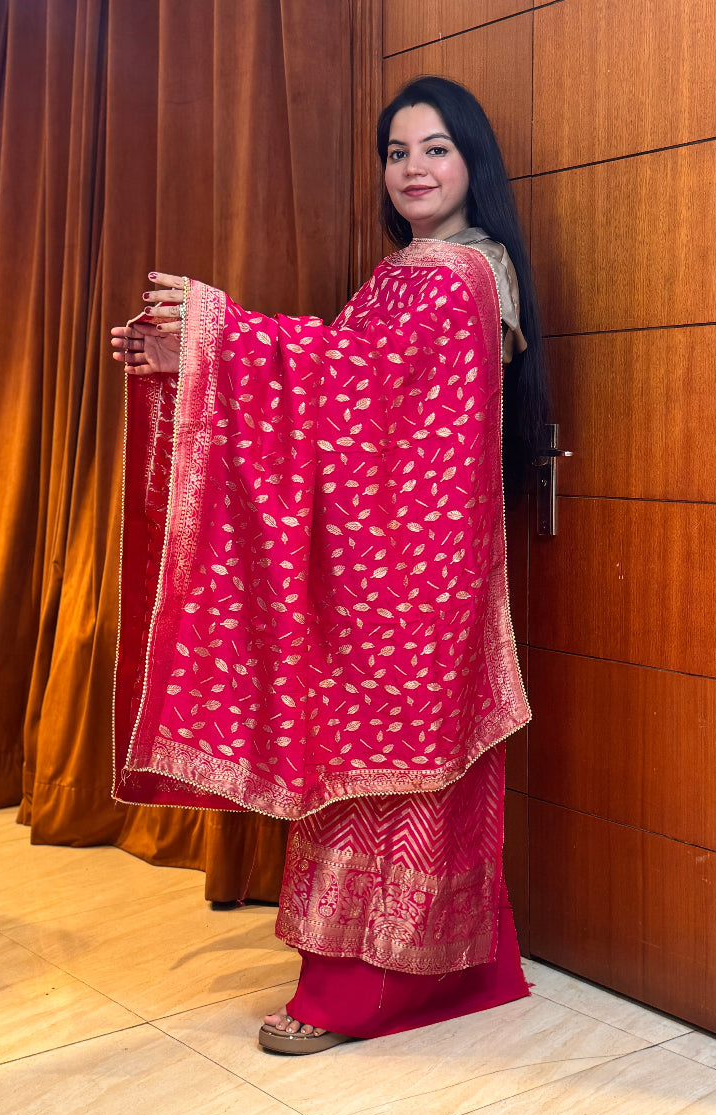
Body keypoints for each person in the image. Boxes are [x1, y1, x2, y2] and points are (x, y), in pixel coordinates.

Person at [110, 76, 548, 1055]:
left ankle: (367, 990)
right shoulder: (406, 274)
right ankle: (432, 965)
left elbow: (352, 379)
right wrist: (191, 359)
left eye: (435, 148)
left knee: (390, 771)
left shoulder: (459, 275)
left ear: (472, 160)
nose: (413, 169)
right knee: (368, 764)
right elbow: (337, 395)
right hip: (394, 560)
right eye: (396, 153)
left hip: (417, 571)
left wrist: (223, 333)